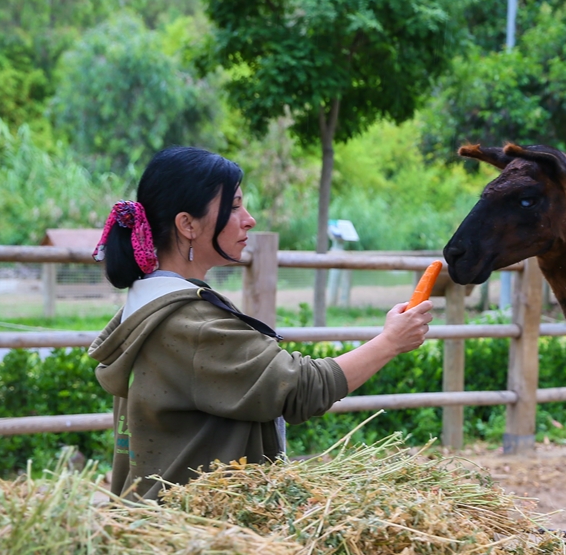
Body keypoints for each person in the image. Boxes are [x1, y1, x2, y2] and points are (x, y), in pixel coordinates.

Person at [88, 147, 433, 500]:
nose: (248, 219)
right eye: (234, 206)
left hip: (157, 522)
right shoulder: (192, 324)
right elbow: (302, 389)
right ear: (187, 224)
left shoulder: (147, 303)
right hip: (199, 534)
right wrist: (391, 342)